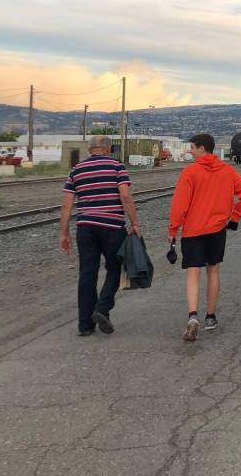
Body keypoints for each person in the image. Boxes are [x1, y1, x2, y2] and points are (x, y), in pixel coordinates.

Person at [168, 133, 241, 342]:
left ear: (202, 148)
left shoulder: (190, 173)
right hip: (217, 231)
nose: (190, 151)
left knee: (193, 273)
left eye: (193, 147)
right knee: (213, 271)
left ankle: (193, 316)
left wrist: (172, 232)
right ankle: (211, 317)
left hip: (193, 232)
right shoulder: (227, 171)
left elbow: (179, 206)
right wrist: (234, 217)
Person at [59, 135, 141, 337]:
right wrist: (134, 223)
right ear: (107, 149)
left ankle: (85, 325)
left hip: (85, 228)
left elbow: (66, 205)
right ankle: (102, 309)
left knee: (87, 274)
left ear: (90, 149)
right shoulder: (116, 166)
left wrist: (64, 233)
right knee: (116, 266)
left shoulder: (76, 169)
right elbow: (125, 195)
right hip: (112, 226)